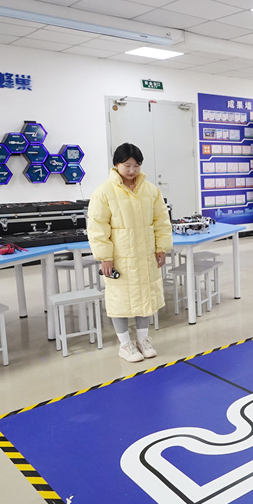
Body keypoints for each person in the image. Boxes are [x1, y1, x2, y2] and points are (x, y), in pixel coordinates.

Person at [87, 142, 172, 362]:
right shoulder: (104, 192)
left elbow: (161, 221)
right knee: (120, 300)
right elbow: (97, 228)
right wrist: (105, 257)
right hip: (120, 257)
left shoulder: (151, 190)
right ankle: (125, 344)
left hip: (145, 255)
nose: (132, 170)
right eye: (127, 165)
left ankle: (143, 340)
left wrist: (161, 248)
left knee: (145, 297)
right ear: (116, 164)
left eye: (136, 165)